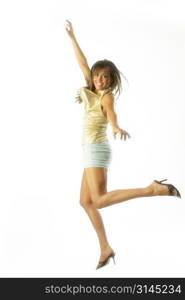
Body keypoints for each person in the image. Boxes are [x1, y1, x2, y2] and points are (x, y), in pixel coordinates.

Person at [65, 20, 181, 270]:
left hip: (96, 149)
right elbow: (83, 63)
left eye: (105, 77)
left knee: (99, 199)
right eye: (98, 76)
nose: (101, 80)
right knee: (85, 202)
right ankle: (105, 248)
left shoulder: (106, 97)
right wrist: (73, 38)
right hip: (89, 150)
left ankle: (153, 189)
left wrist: (116, 126)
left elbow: (112, 115)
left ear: (110, 80)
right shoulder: (91, 87)